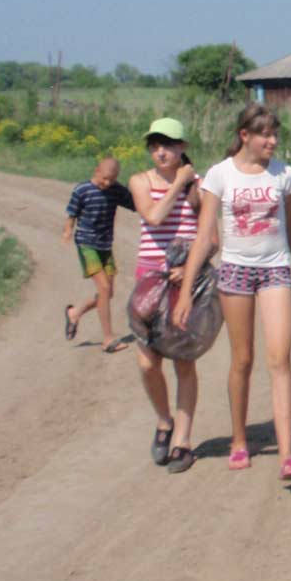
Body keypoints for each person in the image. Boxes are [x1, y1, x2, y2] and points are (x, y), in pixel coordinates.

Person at [173, 104, 291, 484]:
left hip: (276, 270)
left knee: (280, 359)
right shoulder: (220, 174)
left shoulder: (285, 174)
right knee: (243, 359)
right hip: (235, 270)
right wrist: (185, 292)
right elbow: (204, 236)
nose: (273, 141)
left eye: (275, 134)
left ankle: (287, 455)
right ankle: (238, 439)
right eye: (265, 134)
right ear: (245, 135)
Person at [126, 118, 204, 473]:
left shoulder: (200, 187)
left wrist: (189, 269)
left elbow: (211, 238)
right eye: (155, 144)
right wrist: (180, 183)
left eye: (169, 144)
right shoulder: (140, 182)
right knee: (147, 363)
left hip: (183, 284)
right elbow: (155, 217)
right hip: (148, 281)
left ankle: (183, 441)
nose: (162, 151)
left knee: (184, 363)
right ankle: (163, 421)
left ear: (182, 146)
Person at [63, 156, 136, 353]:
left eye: (112, 179)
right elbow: (72, 213)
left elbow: (136, 204)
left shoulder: (115, 190)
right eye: (105, 178)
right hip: (87, 244)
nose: (108, 183)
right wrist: (68, 230)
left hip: (105, 245)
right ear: (96, 171)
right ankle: (108, 339)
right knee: (103, 287)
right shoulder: (82, 190)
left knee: (108, 293)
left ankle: (74, 313)